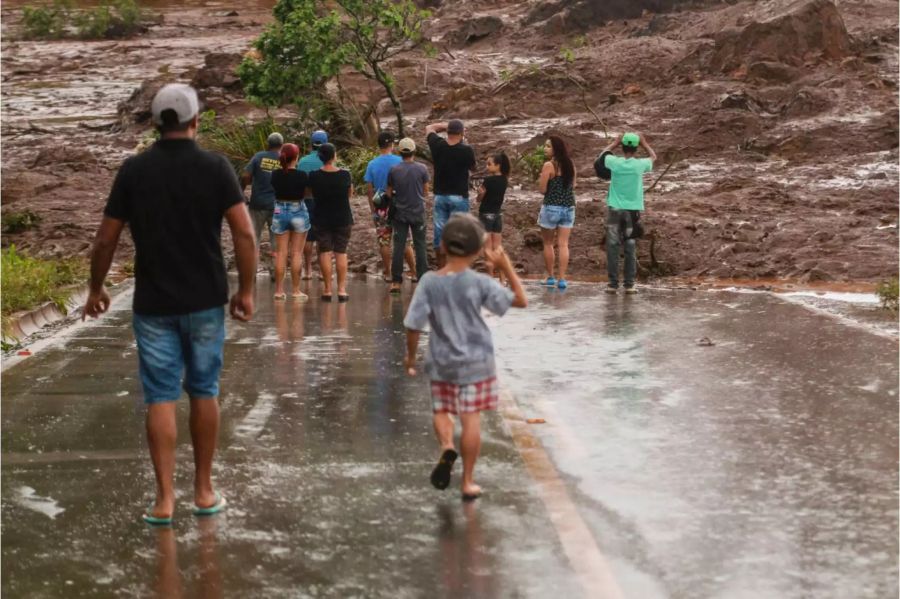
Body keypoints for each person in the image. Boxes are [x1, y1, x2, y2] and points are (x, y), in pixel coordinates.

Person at [82, 83, 256, 525]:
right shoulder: (216, 168)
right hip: (205, 303)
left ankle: (163, 500)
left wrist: (96, 288)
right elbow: (244, 233)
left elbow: (106, 238)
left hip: (153, 302)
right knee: (204, 390)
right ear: (195, 121)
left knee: (160, 396)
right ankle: (203, 490)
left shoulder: (134, 172)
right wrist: (247, 290)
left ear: (157, 123)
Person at [404, 213, 527, 501]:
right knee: (471, 420)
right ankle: (468, 482)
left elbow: (412, 324)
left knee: (442, 411)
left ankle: (447, 445)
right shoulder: (479, 283)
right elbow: (520, 300)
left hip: (442, 361)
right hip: (477, 363)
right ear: (476, 252)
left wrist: (410, 359)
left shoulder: (429, 282)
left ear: (443, 247)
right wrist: (505, 266)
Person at [600, 132, 656, 294]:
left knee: (612, 245)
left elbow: (602, 155)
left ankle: (612, 283)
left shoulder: (614, 162)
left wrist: (614, 143)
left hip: (615, 209)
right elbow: (653, 157)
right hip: (632, 211)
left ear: (622, 147)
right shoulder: (639, 165)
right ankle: (629, 284)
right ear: (636, 148)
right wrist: (645, 143)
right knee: (630, 245)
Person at [364, 131, 415, 281]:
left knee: (384, 240)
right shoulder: (400, 161)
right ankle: (413, 272)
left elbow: (369, 189)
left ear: (378, 145)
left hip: (381, 206)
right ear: (392, 144)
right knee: (405, 240)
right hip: (400, 204)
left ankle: (388, 273)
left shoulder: (372, 164)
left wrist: (373, 209)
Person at [425, 119, 476, 267]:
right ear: (461, 133)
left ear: (448, 132)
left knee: (440, 236)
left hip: (440, 196)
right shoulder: (467, 150)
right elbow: (473, 168)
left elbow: (430, 127)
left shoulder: (437, 145)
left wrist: (444, 126)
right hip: (459, 197)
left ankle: (442, 272)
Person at [307, 142, 353, 302]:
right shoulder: (345, 175)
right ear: (334, 156)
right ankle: (341, 290)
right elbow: (350, 194)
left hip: (321, 217)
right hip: (342, 217)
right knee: (341, 252)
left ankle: (327, 289)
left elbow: (309, 193)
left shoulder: (313, 175)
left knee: (325, 251)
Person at [386, 137, 431, 294]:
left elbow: (389, 192)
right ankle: (423, 280)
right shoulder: (422, 169)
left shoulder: (394, 170)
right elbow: (426, 190)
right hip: (418, 212)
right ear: (414, 151)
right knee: (420, 245)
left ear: (399, 152)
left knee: (399, 246)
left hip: (400, 213)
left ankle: (396, 282)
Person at [270, 142, 311, 300]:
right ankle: (295, 290)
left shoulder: (275, 174)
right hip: (298, 209)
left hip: (279, 209)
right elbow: (306, 193)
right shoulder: (302, 175)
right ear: (296, 157)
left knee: (281, 253)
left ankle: (279, 291)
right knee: (296, 253)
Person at [537, 136, 577, 290]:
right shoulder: (571, 164)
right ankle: (562, 279)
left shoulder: (549, 165)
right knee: (564, 244)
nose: (545, 149)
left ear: (555, 149)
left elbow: (542, 189)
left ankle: (551, 277)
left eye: (548, 146)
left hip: (551, 207)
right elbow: (573, 185)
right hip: (568, 208)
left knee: (548, 243)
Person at [241, 132, 283, 276]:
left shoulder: (258, 157)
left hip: (257, 204)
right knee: (276, 239)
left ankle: (251, 273)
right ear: (281, 145)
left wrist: (242, 191)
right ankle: (275, 273)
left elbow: (245, 175)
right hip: (277, 206)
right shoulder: (284, 158)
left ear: (268, 144)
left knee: (254, 238)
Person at [297, 130, 329, 279]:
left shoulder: (302, 161)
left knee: (308, 237)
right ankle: (323, 272)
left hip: (307, 201)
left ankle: (308, 270)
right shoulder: (328, 160)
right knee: (322, 236)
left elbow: (300, 184)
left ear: (311, 144)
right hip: (323, 202)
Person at [475, 153, 511, 282]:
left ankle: (490, 278)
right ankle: (502, 278)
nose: (487, 166)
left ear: (498, 165)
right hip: (497, 214)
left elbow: (480, 199)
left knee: (488, 248)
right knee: (498, 247)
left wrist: (480, 194)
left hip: (486, 214)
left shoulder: (488, 181)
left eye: (489, 164)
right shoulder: (504, 180)